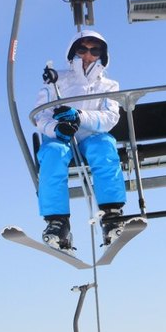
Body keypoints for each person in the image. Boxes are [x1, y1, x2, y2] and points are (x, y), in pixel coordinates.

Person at [34, 30, 127, 251]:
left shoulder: (109, 86)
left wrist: (79, 117)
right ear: (73, 52)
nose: (88, 55)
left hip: (92, 133)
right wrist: (57, 129)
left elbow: (110, 117)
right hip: (61, 136)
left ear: (102, 55)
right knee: (53, 154)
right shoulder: (56, 80)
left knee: (104, 149)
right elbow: (40, 115)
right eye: (82, 49)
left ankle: (112, 215)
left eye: (95, 51)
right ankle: (58, 223)